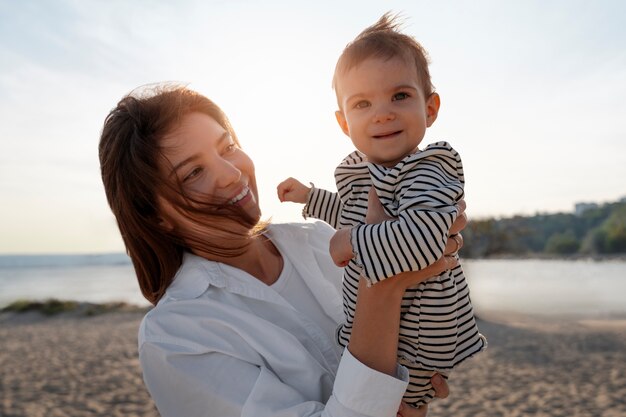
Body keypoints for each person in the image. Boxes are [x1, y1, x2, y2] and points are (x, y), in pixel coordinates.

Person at [99, 84, 465, 417]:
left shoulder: (321, 240)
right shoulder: (175, 336)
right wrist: (382, 283)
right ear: (154, 215)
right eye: (193, 173)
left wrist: (413, 387)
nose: (231, 173)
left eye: (227, 147)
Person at [277, 13, 486, 406]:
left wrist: (352, 243)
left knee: (399, 400)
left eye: (400, 96)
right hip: (387, 326)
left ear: (431, 108)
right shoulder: (369, 173)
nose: (382, 113)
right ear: (344, 122)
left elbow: (422, 242)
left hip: (418, 334)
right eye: (362, 103)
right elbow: (352, 214)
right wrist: (310, 197)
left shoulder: (427, 169)